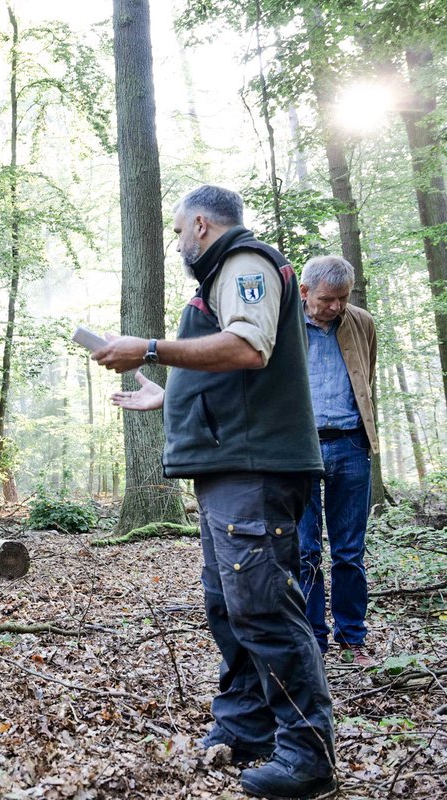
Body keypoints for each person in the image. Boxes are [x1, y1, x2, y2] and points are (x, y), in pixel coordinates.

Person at [95, 185, 336, 799]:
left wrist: (147, 347)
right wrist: (164, 392)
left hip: (255, 468)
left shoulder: (246, 263)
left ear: (200, 224)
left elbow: (249, 348)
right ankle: (246, 727)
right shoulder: (220, 278)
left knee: (261, 604)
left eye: (178, 232)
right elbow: (224, 369)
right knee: (227, 605)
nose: (178, 244)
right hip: (227, 468)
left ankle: (308, 756)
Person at [297, 256, 379, 668]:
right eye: (327, 299)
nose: (335, 307)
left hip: (350, 444)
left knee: (349, 550)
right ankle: (312, 641)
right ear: (305, 292)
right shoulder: (283, 323)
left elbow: (367, 375)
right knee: (304, 550)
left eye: (342, 298)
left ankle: (353, 638)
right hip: (298, 448)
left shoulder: (361, 321)